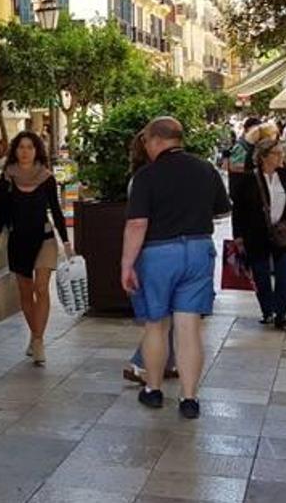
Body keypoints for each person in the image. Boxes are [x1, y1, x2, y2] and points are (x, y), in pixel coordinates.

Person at [121, 117, 230, 419]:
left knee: (156, 324)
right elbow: (222, 209)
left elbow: (137, 223)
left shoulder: (146, 176)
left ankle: (153, 390)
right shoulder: (205, 169)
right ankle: (190, 398)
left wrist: (126, 264)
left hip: (157, 254)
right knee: (189, 327)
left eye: (146, 141)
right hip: (198, 249)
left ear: (155, 140)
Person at [0, 131, 73, 366]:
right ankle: (35, 335)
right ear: (15, 151)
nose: (25, 151)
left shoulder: (46, 177)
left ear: (37, 151)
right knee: (26, 293)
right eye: (21, 147)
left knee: (41, 289)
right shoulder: (8, 177)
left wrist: (66, 242)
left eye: (30, 147)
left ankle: (38, 340)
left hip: (44, 238)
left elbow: (56, 210)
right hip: (19, 240)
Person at [233, 140, 286, 329]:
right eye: (276, 153)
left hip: (285, 234)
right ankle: (268, 311)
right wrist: (238, 236)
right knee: (261, 274)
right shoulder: (249, 180)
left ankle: (281, 313)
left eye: (281, 153)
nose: (281, 156)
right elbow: (238, 210)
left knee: (285, 275)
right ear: (263, 157)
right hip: (256, 234)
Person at [123, 131, 177, 385]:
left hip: (153, 251)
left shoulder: (143, 178)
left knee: (167, 316)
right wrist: (129, 263)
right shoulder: (145, 180)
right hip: (153, 251)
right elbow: (137, 223)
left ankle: (166, 361)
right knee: (162, 317)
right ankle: (141, 363)